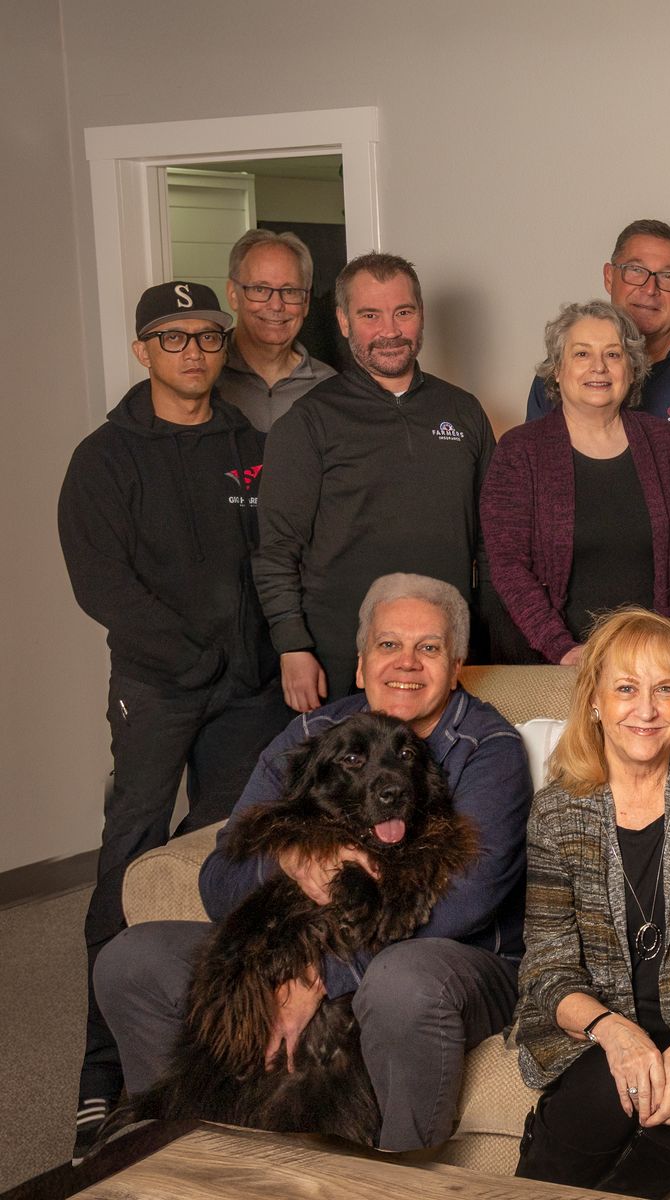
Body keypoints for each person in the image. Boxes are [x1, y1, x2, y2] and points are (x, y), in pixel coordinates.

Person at [96, 573, 531, 1153]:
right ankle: (181, 1153)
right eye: (388, 645)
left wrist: (320, 978)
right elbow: (219, 877)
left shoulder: (489, 749)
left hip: (456, 960)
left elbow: (463, 902)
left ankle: (399, 1177)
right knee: (133, 959)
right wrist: (292, 858)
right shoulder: (309, 735)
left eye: (428, 648)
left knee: (399, 985)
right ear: (360, 665)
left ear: (455, 667)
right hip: (298, 938)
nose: (406, 663)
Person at [57, 279, 291, 1155]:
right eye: (173, 338)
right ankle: (100, 1074)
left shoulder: (251, 444)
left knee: (220, 860)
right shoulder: (107, 456)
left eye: (206, 337)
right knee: (128, 862)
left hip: (248, 694)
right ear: (143, 350)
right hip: (158, 689)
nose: (193, 352)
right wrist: (195, 658)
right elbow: (102, 583)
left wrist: (267, 657)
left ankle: (205, 1051)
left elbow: (280, 555)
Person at [512, 609, 670, 1195]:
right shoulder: (556, 811)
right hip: (595, 1022)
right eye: (626, 688)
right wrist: (613, 1032)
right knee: (612, 1088)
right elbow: (549, 966)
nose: (645, 710)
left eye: (664, 690)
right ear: (596, 700)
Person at [254, 251, 495, 711]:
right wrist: (292, 646)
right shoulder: (309, 421)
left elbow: (492, 542)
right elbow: (276, 550)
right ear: (344, 321)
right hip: (341, 662)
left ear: (420, 315)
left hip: (445, 655)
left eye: (403, 312)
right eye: (370, 315)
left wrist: (489, 642)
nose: (390, 331)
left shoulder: (462, 411)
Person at [481, 301, 670, 665]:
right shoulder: (520, 451)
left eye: (613, 354)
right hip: (554, 665)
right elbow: (508, 567)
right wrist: (564, 650)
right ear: (557, 369)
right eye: (582, 354)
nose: (598, 367)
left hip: (653, 664)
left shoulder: (665, 444)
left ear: (632, 369)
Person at [525, 220, 670, 424]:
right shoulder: (560, 373)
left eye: (668, 276)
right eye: (636, 270)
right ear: (609, 278)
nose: (650, 289)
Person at [215, 228, 336, 430]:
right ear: (233, 295)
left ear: (305, 302)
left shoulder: (330, 388)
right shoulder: (204, 376)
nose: (276, 305)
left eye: (289, 291)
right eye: (260, 289)